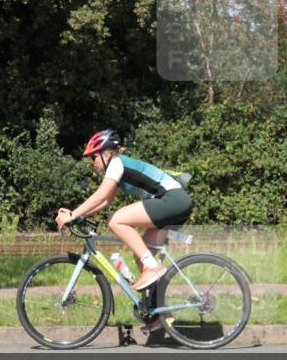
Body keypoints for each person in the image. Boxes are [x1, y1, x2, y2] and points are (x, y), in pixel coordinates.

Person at [55, 128, 194, 309]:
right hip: (175, 203)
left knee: (116, 220)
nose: (92, 163)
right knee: (140, 257)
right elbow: (104, 201)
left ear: (106, 153)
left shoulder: (117, 163)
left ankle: (152, 267)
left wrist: (73, 214)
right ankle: (159, 313)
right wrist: (79, 217)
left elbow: (99, 195)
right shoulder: (118, 168)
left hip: (172, 200)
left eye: (93, 157)